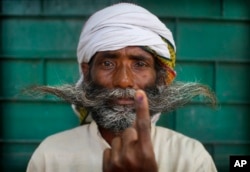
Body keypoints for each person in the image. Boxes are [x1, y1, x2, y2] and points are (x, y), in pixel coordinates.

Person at [27, 3, 217, 172]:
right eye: (108, 63)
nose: (124, 81)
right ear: (86, 73)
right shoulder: (50, 156)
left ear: (160, 78)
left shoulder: (191, 158)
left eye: (139, 64)